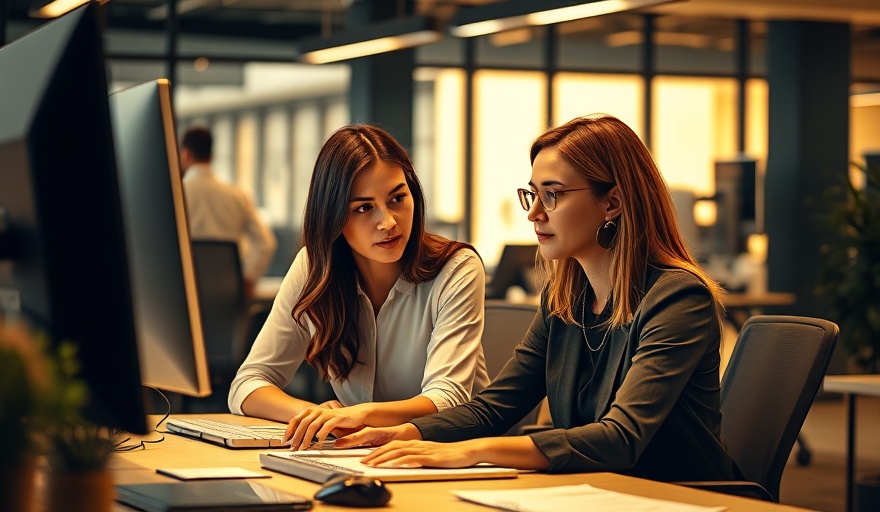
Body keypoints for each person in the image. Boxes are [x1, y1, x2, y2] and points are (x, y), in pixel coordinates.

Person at [336, 115, 741, 483]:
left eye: (553, 195)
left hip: (679, 497)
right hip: (592, 488)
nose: (534, 215)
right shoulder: (564, 300)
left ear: (612, 203)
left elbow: (621, 437)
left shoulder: (679, 298)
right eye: (533, 195)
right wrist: (405, 433)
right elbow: (494, 408)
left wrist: (469, 451)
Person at [228, 124, 490, 448]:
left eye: (397, 198)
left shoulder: (457, 269)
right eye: (364, 208)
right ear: (333, 217)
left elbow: (447, 398)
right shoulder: (313, 269)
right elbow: (248, 384)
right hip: (362, 457)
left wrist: (358, 415)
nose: (389, 222)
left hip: (451, 454)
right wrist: (315, 417)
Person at [180, 126, 276, 297]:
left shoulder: (175, 195)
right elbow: (266, 243)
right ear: (211, 156)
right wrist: (248, 278)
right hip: (228, 293)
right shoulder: (236, 196)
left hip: (185, 291)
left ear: (185, 154)